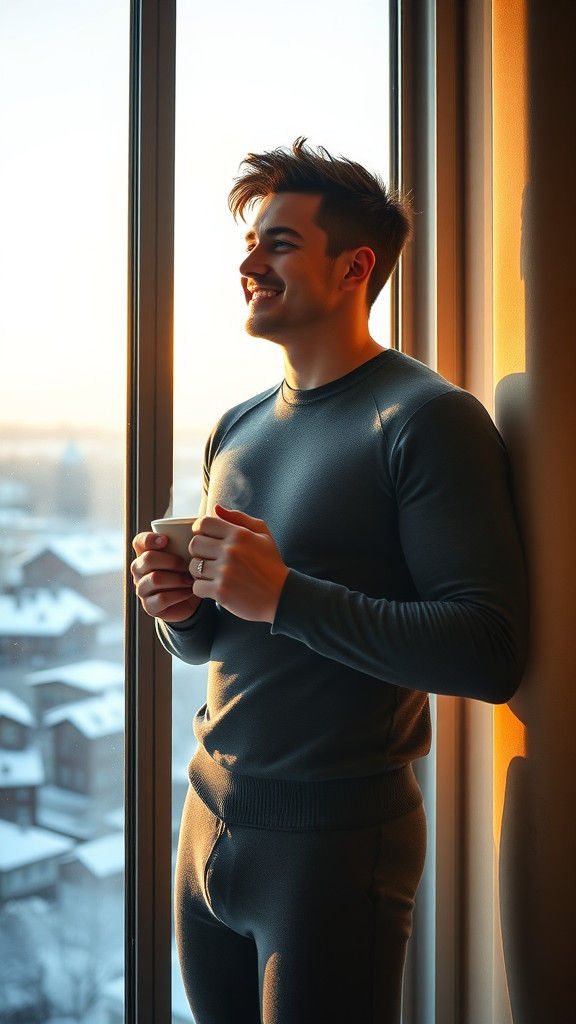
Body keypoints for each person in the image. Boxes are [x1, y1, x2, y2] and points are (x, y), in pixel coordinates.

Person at [130, 139, 528, 1024]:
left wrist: (285, 594)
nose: (248, 262)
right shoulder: (234, 427)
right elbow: (224, 636)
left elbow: (488, 650)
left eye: (277, 243)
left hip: (336, 847)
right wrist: (179, 612)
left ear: (354, 268)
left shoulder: (428, 421)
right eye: (250, 242)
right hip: (205, 824)